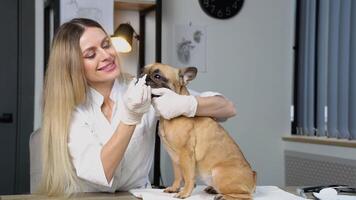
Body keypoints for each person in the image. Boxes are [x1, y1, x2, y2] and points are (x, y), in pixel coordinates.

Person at [39, 18, 236, 196]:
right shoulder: (72, 111)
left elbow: (227, 109)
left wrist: (188, 103)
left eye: (106, 45)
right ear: (73, 66)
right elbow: (101, 174)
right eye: (91, 54)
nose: (106, 55)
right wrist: (130, 117)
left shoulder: (144, 87)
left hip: (139, 196)